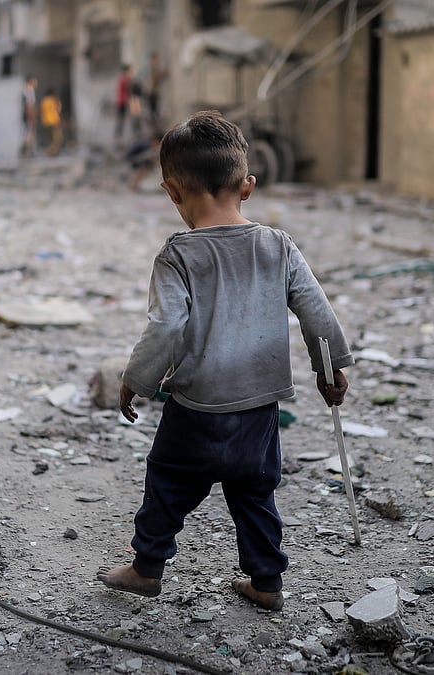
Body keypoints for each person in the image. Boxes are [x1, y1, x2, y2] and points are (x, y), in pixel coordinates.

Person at [96, 111, 352, 612]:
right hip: (260, 408)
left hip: (197, 407)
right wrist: (330, 369)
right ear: (248, 186)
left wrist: (136, 380)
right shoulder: (278, 246)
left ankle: (147, 568)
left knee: (167, 483)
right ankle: (266, 583)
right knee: (255, 496)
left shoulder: (177, 255)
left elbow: (166, 326)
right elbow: (316, 313)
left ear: (172, 191)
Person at [40, 88, 63, 156]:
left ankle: (50, 152)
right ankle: (49, 152)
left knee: (51, 138)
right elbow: (58, 109)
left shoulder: (44, 101)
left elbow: (42, 111)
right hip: (54, 121)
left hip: (46, 122)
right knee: (58, 138)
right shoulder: (53, 100)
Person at [114, 64, 133, 142]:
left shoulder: (122, 79)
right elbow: (125, 92)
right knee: (121, 119)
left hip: (121, 101)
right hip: (122, 102)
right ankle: (118, 137)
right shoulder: (124, 79)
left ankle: (118, 136)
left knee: (121, 119)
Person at [21, 75, 38, 157]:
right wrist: (32, 117)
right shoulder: (29, 90)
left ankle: (29, 152)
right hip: (28, 116)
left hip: (27, 116)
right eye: (35, 81)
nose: (36, 83)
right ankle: (25, 152)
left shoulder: (26, 90)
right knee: (28, 135)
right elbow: (29, 106)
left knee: (28, 134)